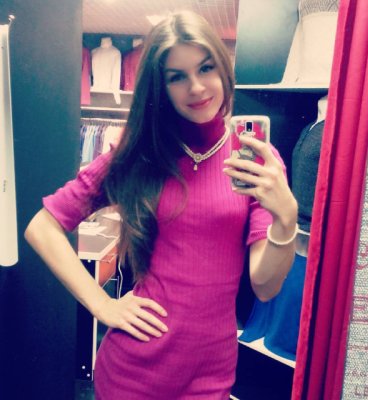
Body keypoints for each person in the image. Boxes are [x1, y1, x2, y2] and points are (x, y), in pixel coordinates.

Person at [24, 11, 298, 400]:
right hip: (132, 372)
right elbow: (42, 226)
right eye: (177, 77)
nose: (197, 87)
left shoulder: (256, 162)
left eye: (206, 68)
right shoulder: (142, 154)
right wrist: (101, 304)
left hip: (211, 373)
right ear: (160, 87)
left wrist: (286, 219)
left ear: (223, 68)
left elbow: (265, 286)